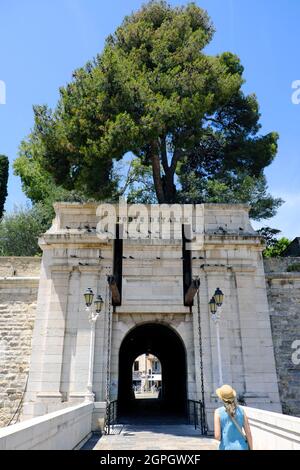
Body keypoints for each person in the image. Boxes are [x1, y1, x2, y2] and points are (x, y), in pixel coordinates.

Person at [214, 384, 253, 450]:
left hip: (226, 447)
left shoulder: (218, 412)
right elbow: (248, 432)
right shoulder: (241, 411)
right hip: (242, 447)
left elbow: (217, 436)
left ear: (221, 398)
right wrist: (251, 448)